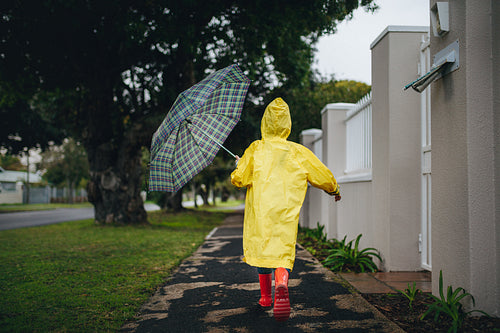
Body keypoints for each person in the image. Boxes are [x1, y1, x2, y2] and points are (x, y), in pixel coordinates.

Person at [231, 97, 341, 322]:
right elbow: (320, 173)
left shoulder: (255, 148)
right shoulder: (298, 151)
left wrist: (239, 164)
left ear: (265, 122)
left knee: (263, 250)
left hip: (261, 211)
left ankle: (265, 298)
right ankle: (281, 282)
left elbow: (239, 179)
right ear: (287, 124)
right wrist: (333, 189)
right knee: (282, 249)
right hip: (286, 212)